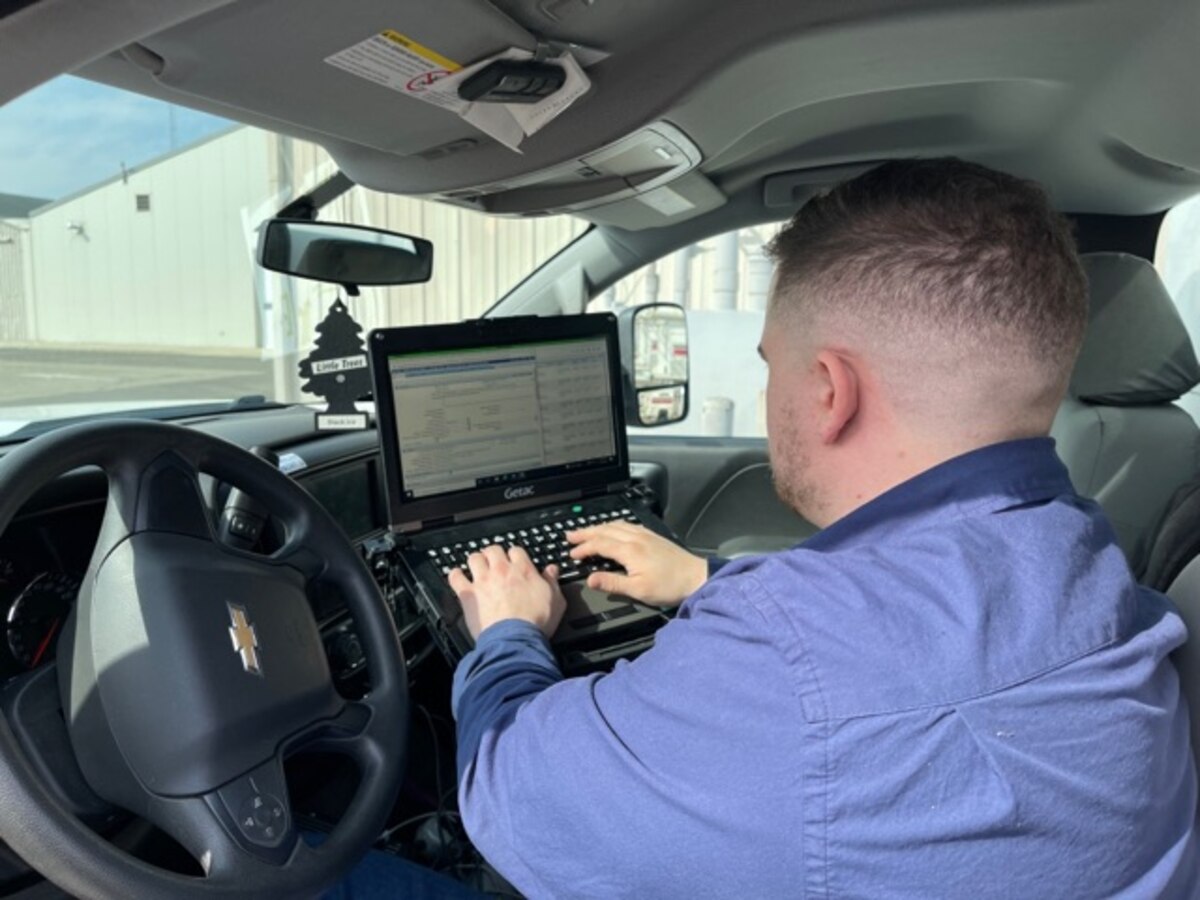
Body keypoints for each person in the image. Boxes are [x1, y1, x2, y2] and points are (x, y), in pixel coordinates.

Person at [334, 157, 1197, 898]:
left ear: (829, 389)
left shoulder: (795, 656)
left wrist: (507, 635)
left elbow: (509, 798)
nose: (766, 394)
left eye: (770, 367)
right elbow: (912, 648)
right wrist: (710, 578)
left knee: (320, 870)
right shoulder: (1084, 558)